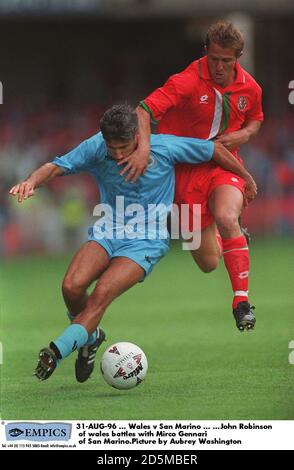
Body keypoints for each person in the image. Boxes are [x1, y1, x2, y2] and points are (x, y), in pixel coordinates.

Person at [9, 104, 256, 382]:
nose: (117, 154)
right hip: (108, 231)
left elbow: (214, 151)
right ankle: (90, 338)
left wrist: (245, 177)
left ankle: (57, 350)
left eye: (123, 147)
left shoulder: (164, 148)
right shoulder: (97, 147)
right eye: (111, 148)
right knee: (71, 286)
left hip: (146, 241)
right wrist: (31, 181)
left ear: (138, 137)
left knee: (100, 297)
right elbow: (57, 166)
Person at [119, 21, 264, 331]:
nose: (220, 67)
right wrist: (144, 149)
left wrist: (244, 135)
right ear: (206, 52)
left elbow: (255, 120)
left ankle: (241, 301)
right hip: (182, 176)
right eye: (214, 59)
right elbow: (143, 111)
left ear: (238, 57)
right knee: (208, 263)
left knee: (226, 217)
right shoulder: (185, 81)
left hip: (223, 164)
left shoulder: (250, 88)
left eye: (227, 61)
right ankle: (233, 240)